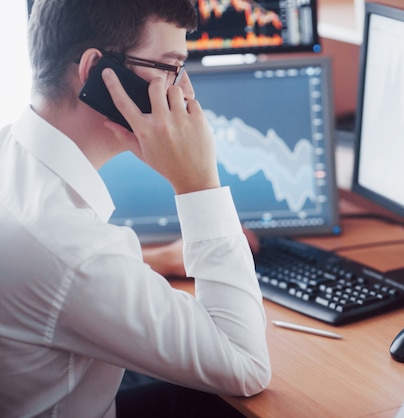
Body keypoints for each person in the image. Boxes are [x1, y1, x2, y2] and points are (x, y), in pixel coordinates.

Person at [0, 0, 271, 417]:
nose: (183, 93)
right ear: (98, 73)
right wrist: (198, 183)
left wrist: (156, 259)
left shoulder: (11, 153)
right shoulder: (72, 252)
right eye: (169, 68)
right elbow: (246, 365)